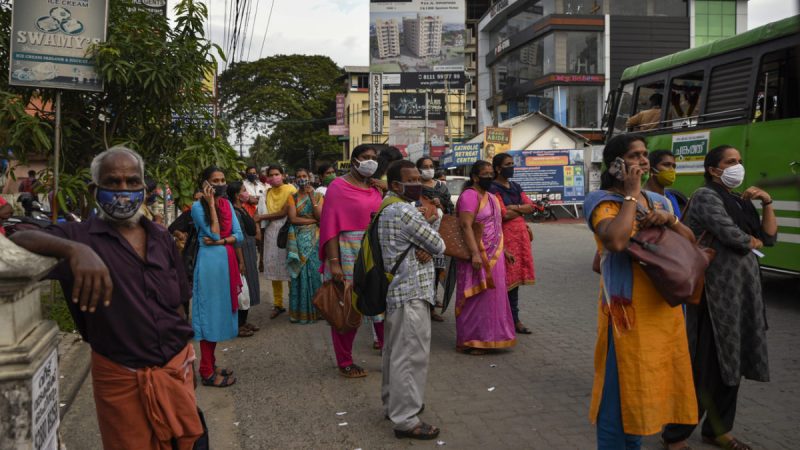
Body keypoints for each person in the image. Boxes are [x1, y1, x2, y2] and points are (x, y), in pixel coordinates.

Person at [9, 147, 204, 448]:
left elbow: (178, 302)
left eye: (132, 181)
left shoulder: (161, 236)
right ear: (94, 190)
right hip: (121, 378)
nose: (123, 190)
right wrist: (75, 251)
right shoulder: (79, 237)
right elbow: (16, 234)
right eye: (113, 182)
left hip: (175, 370)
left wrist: (184, 362)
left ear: (144, 188)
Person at [582, 134, 698, 450]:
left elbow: (690, 243)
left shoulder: (659, 200)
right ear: (616, 163)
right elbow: (617, 241)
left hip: (665, 311)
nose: (644, 161)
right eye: (635, 155)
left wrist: (671, 219)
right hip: (626, 317)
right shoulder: (601, 201)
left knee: (650, 389)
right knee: (619, 398)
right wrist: (632, 197)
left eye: (646, 154)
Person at [661, 145, 777, 450]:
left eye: (739, 161)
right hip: (715, 297)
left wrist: (767, 202)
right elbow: (732, 236)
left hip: (743, 296)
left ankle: (718, 430)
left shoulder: (739, 202)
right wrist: (747, 239)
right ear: (714, 169)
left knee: (733, 364)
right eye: (731, 162)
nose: (738, 166)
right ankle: (676, 434)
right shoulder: (706, 196)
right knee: (707, 367)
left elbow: (769, 238)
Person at [379, 160, 445, 440]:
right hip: (411, 290)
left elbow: (425, 243)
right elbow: (439, 244)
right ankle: (406, 419)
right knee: (410, 356)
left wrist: (423, 239)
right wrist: (427, 233)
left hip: (399, 290)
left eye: (420, 177)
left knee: (395, 352)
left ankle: (393, 403)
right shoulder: (404, 211)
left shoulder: (386, 206)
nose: (419, 182)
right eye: (413, 178)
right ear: (396, 184)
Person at [319, 144, 384, 377]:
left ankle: (389, 356)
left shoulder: (376, 187)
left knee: (380, 306)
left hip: (374, 251)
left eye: (374, 158)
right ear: (354, 160)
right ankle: (345, 361)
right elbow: (329, 226)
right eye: (365, 157)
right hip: (346, 250)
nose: (370, 162)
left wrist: (386, 190)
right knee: (348, 309)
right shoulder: (338, 186)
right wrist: (334, 262)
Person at [454, 161, 517, 355]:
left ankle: (493, 337)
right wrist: (474, 253)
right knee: (476, 297)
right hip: (477, 254)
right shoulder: (469, 196)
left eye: (491, 173)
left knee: (493, 296)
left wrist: (504, 250)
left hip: (494, 255)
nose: (489, 177)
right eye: (485, 173)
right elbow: (465, 226)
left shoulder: (491, 197)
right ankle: (473, 340)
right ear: (475, 177)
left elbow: (496, 226)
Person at [192, 166, 242, 387]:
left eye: (223, 179)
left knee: (219, 314)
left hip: (225, 261)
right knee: (209, 316)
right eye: (215, 180)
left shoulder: (228, 204)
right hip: (210, 266)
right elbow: (212, 232)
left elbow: (238, 236)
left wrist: (222, 241)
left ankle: (210, 363)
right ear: (205, 183)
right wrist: (211, 205)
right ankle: (206, 371)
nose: (221, 184)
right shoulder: (197, 207)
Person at [489, 153, 536, 335]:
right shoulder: (493, 188)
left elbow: (531, 206)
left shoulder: (515, 186)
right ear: (498, 168)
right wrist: (519, 209)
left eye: (512, 163)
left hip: (520, 238)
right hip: (504, 238)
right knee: (503, 279)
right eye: (508, 164)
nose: (512, 167)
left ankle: (514, 319)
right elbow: (502, 214)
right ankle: (504, 319)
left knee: (514, 282)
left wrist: (513, 208)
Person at [255, 165, 297, 319]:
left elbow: (284, 212)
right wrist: (259, 228)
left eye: (277, 174)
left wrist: (261, 218)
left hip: (287, 230)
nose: (273, 177)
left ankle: (294, 303)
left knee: (289, 266)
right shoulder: (267, 192)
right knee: (274, 269)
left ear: (283, 175)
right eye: (270, 175)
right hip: (271, 233)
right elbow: (258, 211)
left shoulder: (291, 189)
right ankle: (278, 304)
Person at [417, 157, 452, 323]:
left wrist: (441, 205)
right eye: (425, 167)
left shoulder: (442, 188)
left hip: (438, 235)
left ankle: (430, 308)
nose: (428, 169)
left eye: (431, 166)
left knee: (435, 274)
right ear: (418, 169)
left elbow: (451, 211)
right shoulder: (414, 186)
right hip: (418, 236)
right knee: (419, 272)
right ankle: (419, 307)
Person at [286, 168, 323, 324]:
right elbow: (293, 219)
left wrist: (312, 198)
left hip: (315, 239)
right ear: (295, 179)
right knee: (300, 273)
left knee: (314, 272)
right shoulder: (292, 197)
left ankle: (318, 310)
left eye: (304, 176)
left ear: (310, 178)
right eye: (299, 176)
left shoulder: (319, 196)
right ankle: (299, 312)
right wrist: (313, 221)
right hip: (298, 239)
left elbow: (321, 216)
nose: (302, 179)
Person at [228, 181, 262, 337]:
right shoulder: (234, 212)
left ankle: (244, 321)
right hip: (242, 251)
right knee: (243, 289)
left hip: (249, 249)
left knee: (250, 285)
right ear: (236, 194)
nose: (246, 193)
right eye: (243, 190)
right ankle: (238, 324)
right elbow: (236, 238)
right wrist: (240, 260)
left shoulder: (242, 208)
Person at [644, 149, 687, 219]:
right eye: (666, 165)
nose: (672, 170)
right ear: (651, 170)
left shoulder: (671, 197)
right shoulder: (642, 197)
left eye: (674, 166)